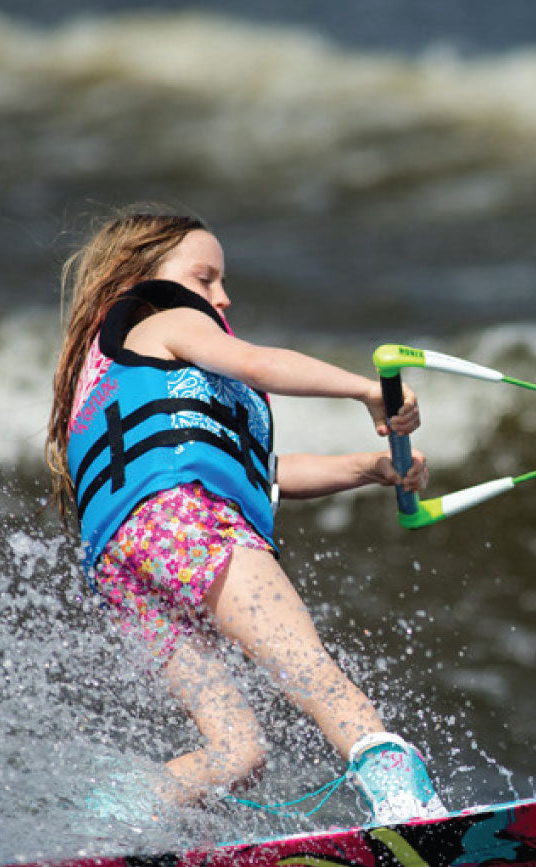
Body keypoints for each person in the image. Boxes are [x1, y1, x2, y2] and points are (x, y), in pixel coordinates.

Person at [46, 207, 447, 827]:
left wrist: (369, 468)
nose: (221, 296)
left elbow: (265, 472)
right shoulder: (167, 316)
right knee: (312, 671)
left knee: (238, 752)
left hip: (124, 566)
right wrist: (367, 390)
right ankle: (410, 806)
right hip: (185, 524)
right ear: (139, 274)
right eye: (206, 278)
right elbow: (260, 366)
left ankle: (99, 819)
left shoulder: (120, 368)